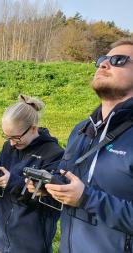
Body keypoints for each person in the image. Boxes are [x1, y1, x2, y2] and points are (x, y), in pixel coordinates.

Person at [26, 38, 133, 253]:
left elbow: (83, 197)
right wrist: (51, 187)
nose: (103, 64)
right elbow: (74, 187)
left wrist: (86, 198)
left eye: (119, 60)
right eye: (102, 60)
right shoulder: (82, 129)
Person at [0, 94, 64, 253]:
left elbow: (53, 202)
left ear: (33, 128)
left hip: (28, 245)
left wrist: (13, 182)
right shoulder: (9, 147)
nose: (11, 143)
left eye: (16, 137)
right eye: (7, 137)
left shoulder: (54, 154)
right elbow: (1, 186)